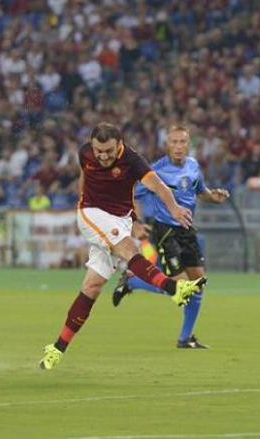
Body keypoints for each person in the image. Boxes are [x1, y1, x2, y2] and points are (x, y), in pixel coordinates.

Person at [39, 122, 206, 370]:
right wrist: (82, 203)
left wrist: (173, 208)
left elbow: (158, 186)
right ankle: (174, 288)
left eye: (108, 150)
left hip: (119, 220)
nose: (102, 156)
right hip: (92, 213)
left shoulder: (132, 160)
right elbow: (84, 175)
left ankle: (57, 348)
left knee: (92, 287)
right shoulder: (84, 153)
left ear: (119, 144)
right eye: (98, 151)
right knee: (130, 250)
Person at [111, 124, 230, 349]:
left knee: (198, 285)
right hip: (165, 231)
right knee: (180, 287)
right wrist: (135, 222)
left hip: (187, 231)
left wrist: (214, 197)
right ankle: (132, 282)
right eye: (173, 142)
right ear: (167, 145)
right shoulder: (156, 171)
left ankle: (186, 339)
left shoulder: (194, 166)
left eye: (182, 142)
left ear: (188, 144)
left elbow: (200, 192)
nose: (178, 146)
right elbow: (131, 195)